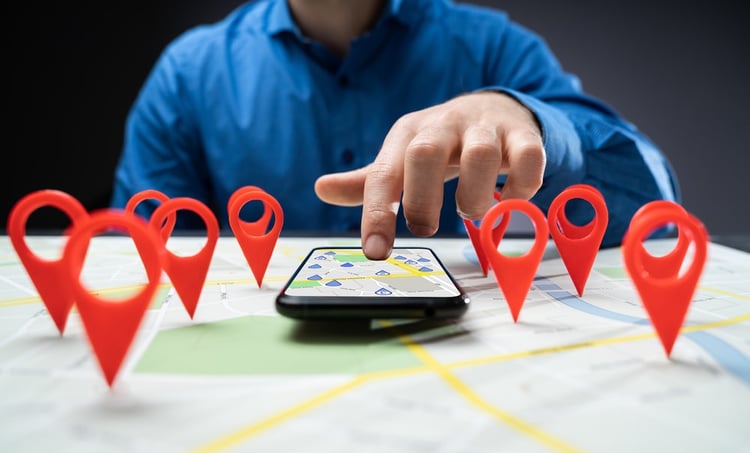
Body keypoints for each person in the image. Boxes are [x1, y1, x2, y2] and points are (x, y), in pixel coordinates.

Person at [110, 0, 679, 260]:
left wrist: (532, 124)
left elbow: (656, 198)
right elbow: (139, 263)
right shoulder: (189, 73)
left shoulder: (493, 48)